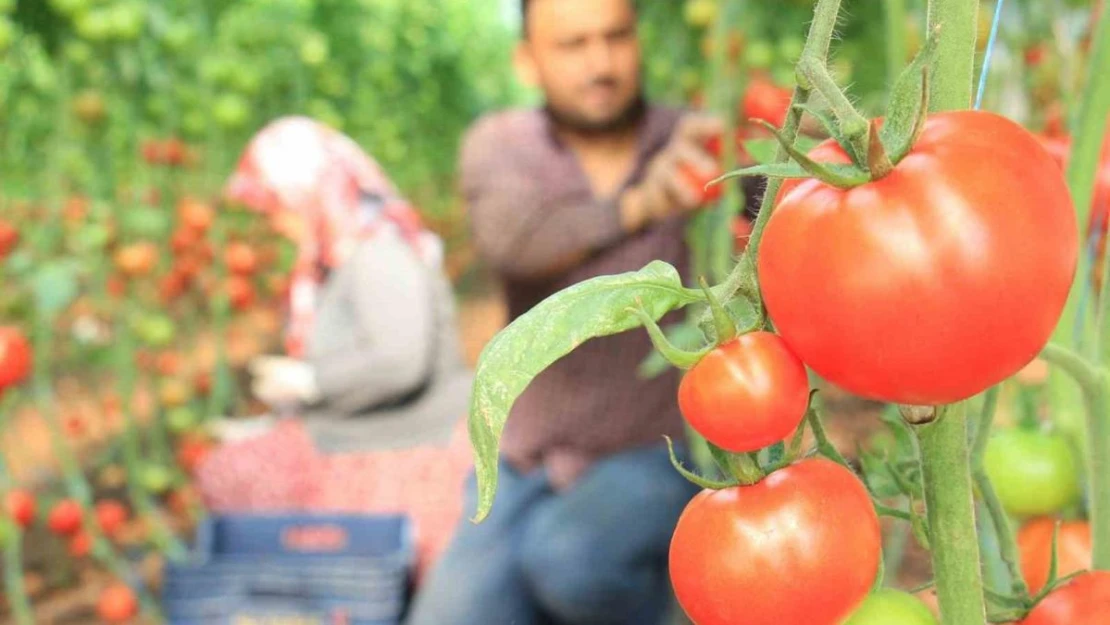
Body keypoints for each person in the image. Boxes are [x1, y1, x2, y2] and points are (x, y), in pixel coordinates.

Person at [405, 0, 747, 623]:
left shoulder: (697, 140)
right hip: (528, 459)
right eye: (572, 44)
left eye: (615, 37)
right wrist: (643, 203)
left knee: (570, 561)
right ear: (527, 60)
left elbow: (792, 200)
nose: (600, 62)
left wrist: (761, 151)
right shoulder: (502, 145)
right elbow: (516, 240)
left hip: (658, 447)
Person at [196, 116, 474, 574]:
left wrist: (311, 381)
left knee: (240, 476)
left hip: (407, 438)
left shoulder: (378, 256)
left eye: (280, 207)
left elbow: (401, 363)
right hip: (370, 429)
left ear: (311, 193)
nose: (277, 223)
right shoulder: (342, 257)